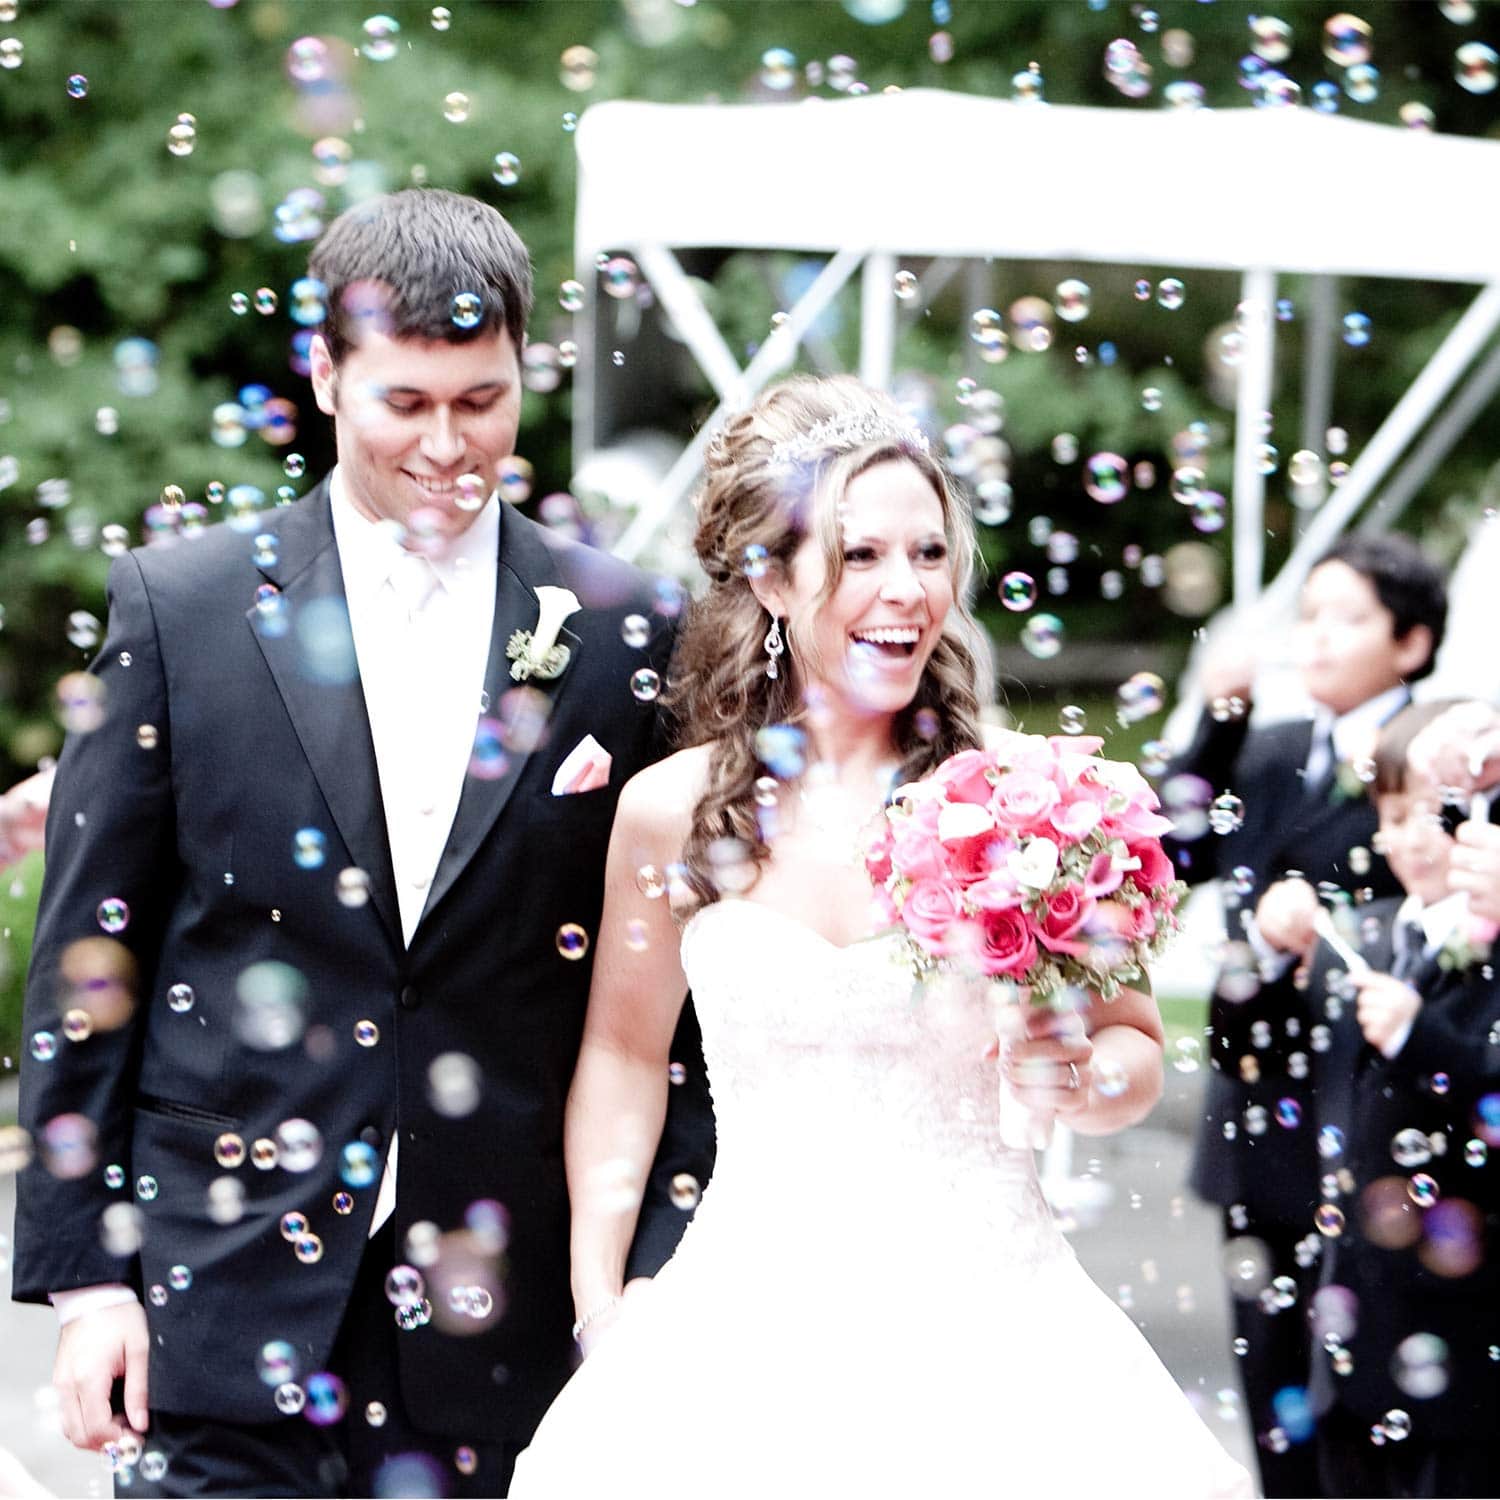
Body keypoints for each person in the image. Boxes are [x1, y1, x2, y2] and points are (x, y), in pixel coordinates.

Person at [11, 188, 714, 1498]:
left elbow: (670, 1013)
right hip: (211, 1299)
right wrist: (88, 1274)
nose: (451, 444)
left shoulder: (626, 632)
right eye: (408, 402)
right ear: (326, 376)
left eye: (484, 399)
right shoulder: (182, 609)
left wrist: (651, 1279)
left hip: (505, 1315)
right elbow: (87, 957)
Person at [507, 375, 1252, 1497]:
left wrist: (1083, 1077)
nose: (906, 591)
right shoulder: (670, 809)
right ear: (768, 575)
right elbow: (621, 1055)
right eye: (858, 556)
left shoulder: (1031, 802)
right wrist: (601, 1296)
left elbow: (1134, 1050)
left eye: (929, 553)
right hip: (744, 1333)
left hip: (1003, 1343)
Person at [1168, 532, 1447, 1496]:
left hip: (1373, 1123)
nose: (1317, 639)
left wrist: (1326, 929)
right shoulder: (1273, 748)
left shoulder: (1441, 756)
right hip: (1257, 1114)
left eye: (1348, 617)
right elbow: (1172, 853)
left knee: (1370, 1413)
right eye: (1310, 616)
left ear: (1411, 643)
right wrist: (1218, 719)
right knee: (1273, 1393)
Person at [1254, 700, 1500, 1497]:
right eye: (1391, 814)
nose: (1409, 836)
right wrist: (1266, 949)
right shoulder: (1356, 936)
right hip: (1351, 1319)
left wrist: (1416, 1032)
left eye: (1435, 813)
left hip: (1466, 1337)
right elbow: (1250, 1051)